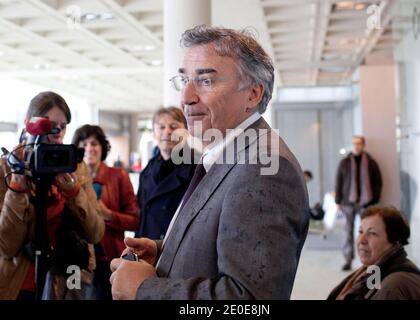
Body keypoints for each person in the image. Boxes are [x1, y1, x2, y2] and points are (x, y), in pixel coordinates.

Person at [109, 25, 310, 300]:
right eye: (184, 80)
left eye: (206, 81)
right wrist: (166, 250)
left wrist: (145, 289)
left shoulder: (264, 169)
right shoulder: (226, 151)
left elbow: (250, 301)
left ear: (253, 93)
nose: (186, 97)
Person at [0, 91, 104, 300]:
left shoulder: (74, 165)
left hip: (66, 279)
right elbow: (7, 246)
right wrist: (18, 187)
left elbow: (95, 232)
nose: (57, 132)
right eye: (48, 124)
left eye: (63, 126)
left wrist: (74, 192)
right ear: (27, 123)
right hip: (21, 282)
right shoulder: (7, 167)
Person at [72, 124, 139, 300]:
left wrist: (108, 214)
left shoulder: (118, 176)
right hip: (79, 259)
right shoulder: (69, 178)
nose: (88, 149)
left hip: (109, 258)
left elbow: (135, 219)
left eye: (94, 143)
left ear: (102, 147)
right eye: (83, 144)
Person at [328, 206, 420, 300]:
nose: (362, 240)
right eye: (360, 231)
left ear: (395, 241)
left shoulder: (390, 288)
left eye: (372, 233)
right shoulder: (376, 270)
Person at [136, 107, 197, 240]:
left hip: (180, 247)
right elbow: (142, 218)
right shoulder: (146, 172)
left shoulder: (198, 167)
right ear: (153, 133)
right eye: (161, 127)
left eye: (174, 126)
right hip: (148, 249)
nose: (167, 132)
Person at [335, 135, 382, 271]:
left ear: (363, 145)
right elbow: (339, 181)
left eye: (359, 143)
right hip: (348, 203)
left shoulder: (371, 162)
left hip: (365, 203)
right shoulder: (344, 162)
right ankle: (348, 260)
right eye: (354, 143)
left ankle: (368, 260)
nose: (356, 146)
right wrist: (338, 201)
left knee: (367, 232)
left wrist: (375, 199)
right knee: (347, 232)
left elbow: (378, 182)